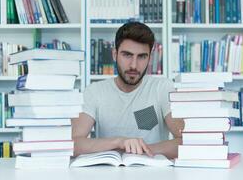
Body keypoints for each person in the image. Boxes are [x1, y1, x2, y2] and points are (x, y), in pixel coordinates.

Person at [72, 22, 183, 159]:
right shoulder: (94, 92)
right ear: (115, 54)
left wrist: (142, 150)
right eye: (127, 55)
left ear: (150, 57)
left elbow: (187, 140)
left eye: (142, 56)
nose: (134, 65)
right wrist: (120, 142)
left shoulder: (163, 88)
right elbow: (73, 144)